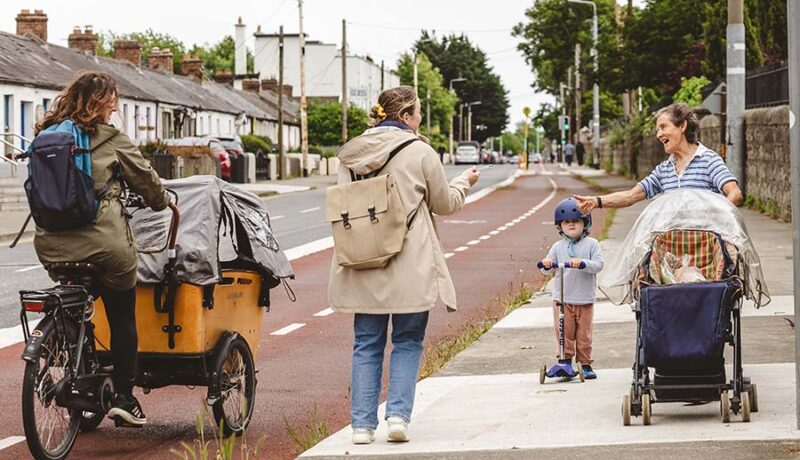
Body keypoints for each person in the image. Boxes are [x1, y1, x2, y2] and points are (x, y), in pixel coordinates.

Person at [329, 86, 480, 445]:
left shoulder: (349, 155)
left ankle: (362, 426)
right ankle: (397, 417)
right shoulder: (419, 151)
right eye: (419, 112)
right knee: (408, 340)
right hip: (409, 263)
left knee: (366, 342)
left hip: (362, 260)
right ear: (407, 116)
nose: (421, 118)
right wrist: (464, 182)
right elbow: (444, 204)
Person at [33, 71, 169, 427]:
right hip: (105, 245)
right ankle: (124, 396)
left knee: (78, 306)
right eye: (112, 102)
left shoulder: (47, 137)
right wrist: (161, 200)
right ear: (103, 103)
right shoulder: (111, 138)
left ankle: (74, 364)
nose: (114, 108)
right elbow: (146, 180)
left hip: (51, 244)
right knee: (122, 314)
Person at [575, 103, 744, 214]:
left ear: (682, 126)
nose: (658, 134)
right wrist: (596, 202)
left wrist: (716, 219)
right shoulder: (664, 170)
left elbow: (734, 193)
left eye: (663, 127)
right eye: (657, 129)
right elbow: (630, 196)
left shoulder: (709, 160)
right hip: (674, 243)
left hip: (706, 242)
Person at [539, 198, 604, 379]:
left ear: (585, 223)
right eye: (567, 222)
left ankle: (585, 364)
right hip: (562, 299)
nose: (572, 224)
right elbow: (547, 269)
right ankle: (565, 361)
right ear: (560, 226)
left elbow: (598, 265)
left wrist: (583, 263)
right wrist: (545, 264)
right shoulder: (557, 247)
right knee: (563, 332)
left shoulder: (592, 244)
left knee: (584, 335)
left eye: (576, 221)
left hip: (584, 299)